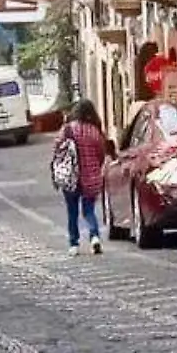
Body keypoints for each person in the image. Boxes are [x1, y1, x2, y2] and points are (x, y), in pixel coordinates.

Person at [55, 100, 111, 256]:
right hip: (91, 177)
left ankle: (74, 244)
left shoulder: (67, 129)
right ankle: (94, 236)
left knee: (72, 212)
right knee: (89, 211)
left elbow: (57, 149)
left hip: (70, 177)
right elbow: (101, 153)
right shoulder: (95, 131)